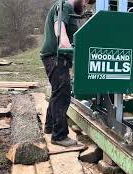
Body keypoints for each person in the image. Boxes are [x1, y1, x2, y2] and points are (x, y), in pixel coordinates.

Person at [40, 0, 95, 147]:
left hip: (54, 57)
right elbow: (59, 24)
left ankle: (49, 127)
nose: (85, 6)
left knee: (58, 92)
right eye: (86, 2)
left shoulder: (67, 9)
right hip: (56, 57)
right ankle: (59, 136)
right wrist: (63, 40)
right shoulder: (65, 5)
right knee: (63, 95)